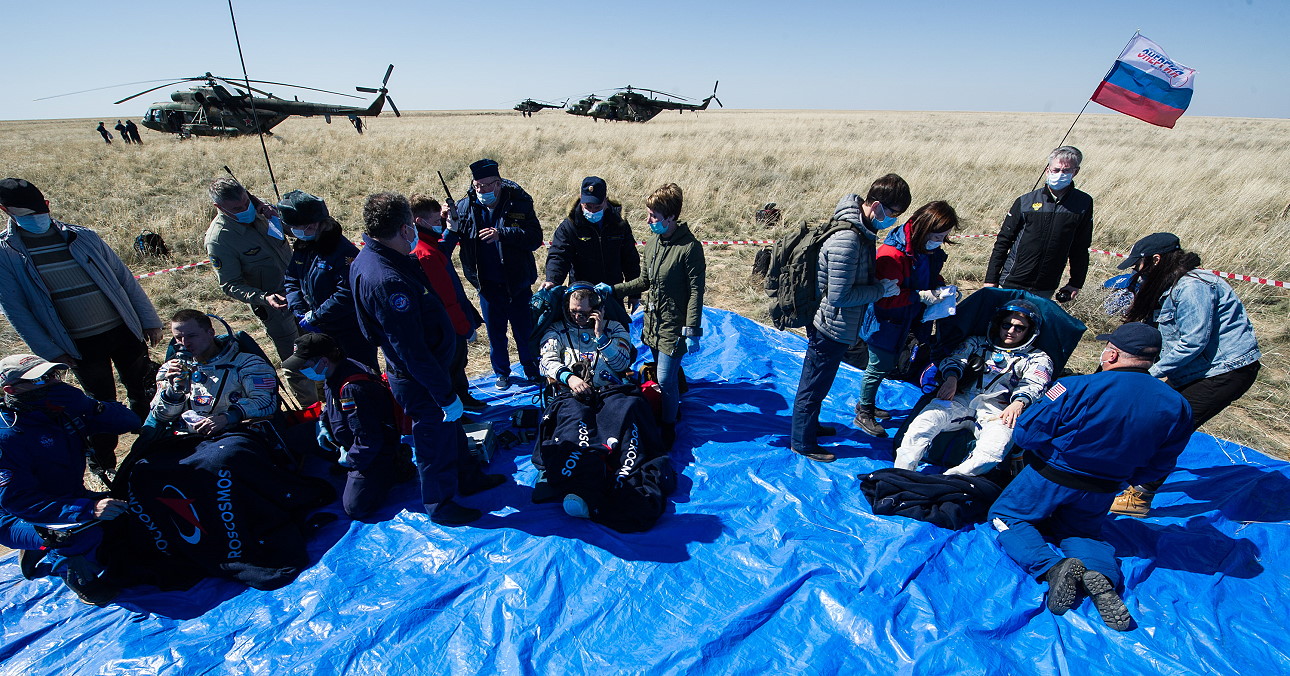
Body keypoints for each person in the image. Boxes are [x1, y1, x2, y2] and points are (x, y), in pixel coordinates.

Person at [987, 322, 1192, 631]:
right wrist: (1123, 478)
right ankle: (1102, 577)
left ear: (1112, 354)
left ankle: (1052, 568)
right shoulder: (1178, 406)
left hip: (1050, 477)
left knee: (1006, 516)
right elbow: (1161, 464)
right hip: (1104, 488)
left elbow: (1028, 433)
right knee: (1082, 533)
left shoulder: (1076, 386)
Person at [351, 192, 504, 527]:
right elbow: (410, 349)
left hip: (430, 370)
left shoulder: (374, 258)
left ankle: (467, 476)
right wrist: (444, 394)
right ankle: (440, 503)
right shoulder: (386, 279)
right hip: (421, 377)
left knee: (451, 429)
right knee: (434, 439)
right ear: (406, 229)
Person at [0, 178, 164, 470]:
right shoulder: (6, 253)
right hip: (78, 345)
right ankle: (104, 464)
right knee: (98, 404)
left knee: (144, 389)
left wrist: (149, 320)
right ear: (6, 211)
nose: (37, 218)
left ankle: (155, 447)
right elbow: (17, 310)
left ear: (48, 205)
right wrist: (51, 352)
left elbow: (124, 278)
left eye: (41, 211)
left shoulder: (83, 236)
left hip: (124, 330)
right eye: (28, 214)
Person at [1110, 233, 1262, 517]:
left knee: (1171, 427)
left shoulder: (1193, 287)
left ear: (1156, 260)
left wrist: (1148, 374)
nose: (1136, 271)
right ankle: (1129, 472)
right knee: (1150, 418)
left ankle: (1140, 496)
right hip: (1193, 369)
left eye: (1138, 265)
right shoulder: (1168, 284)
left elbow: (1193, 342)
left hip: (1225, 371)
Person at [0, 354, 141, 605]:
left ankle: (53, 545)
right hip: (14, 516)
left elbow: (130, 421)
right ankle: (71, 571)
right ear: (12, 390)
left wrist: (91, 406)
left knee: (135, 513)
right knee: (72, 535)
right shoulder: (7, 435)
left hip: (67, 497)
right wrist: (88, 509)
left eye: (52, 375)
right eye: (40, 380)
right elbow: (19, 502)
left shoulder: (61, 411)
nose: (53, 383)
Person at [787, 178, 910, 462]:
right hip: (830, 324)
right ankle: (802, 442)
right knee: (813, 384)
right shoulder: (848, 240)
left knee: (821, 382)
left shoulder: (862, 230)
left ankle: (810, 426)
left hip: (839, 322)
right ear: (876, 206)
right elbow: (839, 296)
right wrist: (880, 290)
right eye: (892, 213)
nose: (893, 220)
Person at [894, 300, 1052, 475]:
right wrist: (951, 378)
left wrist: (1019, 402)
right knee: (922, 425)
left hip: (998, 411)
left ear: (1030, 331)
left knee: (994, 450)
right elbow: (956, 359)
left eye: (1019, 328)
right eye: (1007, 325)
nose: (1011, 331)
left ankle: (949, 480)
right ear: (998, 324)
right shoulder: (976, 343)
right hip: (959, 399)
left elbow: (1035, 383)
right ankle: (901, 473)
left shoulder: (1037, 358)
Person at [606, 183, 706, 446]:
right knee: (666, 376)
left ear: (670, 217)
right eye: (648, 214)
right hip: (653, 322)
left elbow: (696, 292)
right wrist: (613, 290)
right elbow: (644, 281)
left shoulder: (689, 249)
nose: (648, 221)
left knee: (664, 379)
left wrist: (692, 330)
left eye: (654, 216)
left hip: (674, 325)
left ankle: (668, 425)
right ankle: (670, 404)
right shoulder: (653, 243)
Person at [204, 177, 317, 407]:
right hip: (275, 306)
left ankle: (330, 396)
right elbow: (230, 284)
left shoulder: (262, 210)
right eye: (237, 208)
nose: (245, 209)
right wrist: (263, 298)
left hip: (303, 291)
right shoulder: (220, 239)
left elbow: (296, 233)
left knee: (318, 345)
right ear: (219, 207)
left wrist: (279, 216)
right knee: (295, 359)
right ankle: (312, 408)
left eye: (246, 201)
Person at [853, 200, 959, 437]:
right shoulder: (892, 255)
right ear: (924, 228)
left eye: (944, 237)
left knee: (887, 363)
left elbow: (928, 274)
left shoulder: (925, 250)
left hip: (907, 319)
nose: (940, 241)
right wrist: (919, 296)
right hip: (885, 321)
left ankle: (867, 402)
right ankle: (864, 411)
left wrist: (941, 289)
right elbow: (884, 299)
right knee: (878, 365)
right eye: (938, 236)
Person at [283, 333, 409, 520]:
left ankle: (393, 468)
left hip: (373, 451)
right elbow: (330, 404)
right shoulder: (334, 372)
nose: (301, 370)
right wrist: (323, 423)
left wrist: (350, 460)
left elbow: (370, 439)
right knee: (293, 436)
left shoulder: (352, 388)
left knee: (355, 507)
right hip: (348, 439)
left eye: (305, 365)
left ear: (323, 361)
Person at [448, 159, 543, 390]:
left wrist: (503, 234)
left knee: (524, 331)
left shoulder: (519, 203)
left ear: (498, 183)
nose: (481, 191)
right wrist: (447, 220)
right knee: (496, 334)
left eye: (486, 185)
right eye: (477, 186)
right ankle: (501, 373)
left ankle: (532, 369)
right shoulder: (465, 206)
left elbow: (535, 238)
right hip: (487, 285)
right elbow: (451, 236)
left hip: (517, 282)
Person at [279, 190, 378, 371]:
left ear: (313, 224)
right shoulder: (305, 247)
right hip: (322, 330)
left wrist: (317, 315)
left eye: (299, 227)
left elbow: (347, 293)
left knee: (361, 373)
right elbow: (292, 278)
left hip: (349, 331)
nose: (296, 232)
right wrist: (299, 309)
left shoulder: (342, 251)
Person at [984, 146, 1093, 301]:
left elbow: (1081, 247)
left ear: (1075, 172)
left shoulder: (1083, 203)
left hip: (1045, 286)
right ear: (1047, 170)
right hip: (1012, 280)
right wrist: (991, 279)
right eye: (1056, 170)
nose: (1060, 174)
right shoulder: (1025, 201)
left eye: (1066, 171)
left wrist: (1076, 283)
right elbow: (1003, 241)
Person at [410, 194, 486, 411]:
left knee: (457, 366)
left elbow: (440, 248)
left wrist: (450, 230)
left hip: (447, 323)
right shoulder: (425, 254)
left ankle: (463, 400)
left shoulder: (426, 244)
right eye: (436, 221)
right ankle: (459, 409)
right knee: (453, 366)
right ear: (420, 221)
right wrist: (464, 328)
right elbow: (447, 298)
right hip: (447, 325)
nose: (439, 224)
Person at [149, 309, 280, 434]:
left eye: (192, 336)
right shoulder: (170, 370)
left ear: (211, 333)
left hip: (235, 433)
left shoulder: (247, 364)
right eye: (178, 338)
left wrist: (228, 417)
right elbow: (159, 417)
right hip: (186, 438)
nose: (185, 343)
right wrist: (173, 392)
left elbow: (266, 402)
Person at [542, 177, 641, 306]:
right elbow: (559, 256)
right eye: (588, 206)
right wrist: (552, 281)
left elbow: (630, 259)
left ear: (605, 201)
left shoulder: (619, 224)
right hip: (580, 296)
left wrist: (634, 294)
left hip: (612, 293)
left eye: (597, 207)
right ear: (581, 199)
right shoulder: (570, 226)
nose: (592, 211)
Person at [539, 284, 634, 394]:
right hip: (571, 392)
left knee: (631, 404)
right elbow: (546, 363)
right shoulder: (556, 330)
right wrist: (569, 378)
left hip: (609, 390)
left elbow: (621, 364)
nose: (577, 317)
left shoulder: (614, 328)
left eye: (582, 313)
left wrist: (600, 336)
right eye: (573, 311)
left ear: (597, 310)